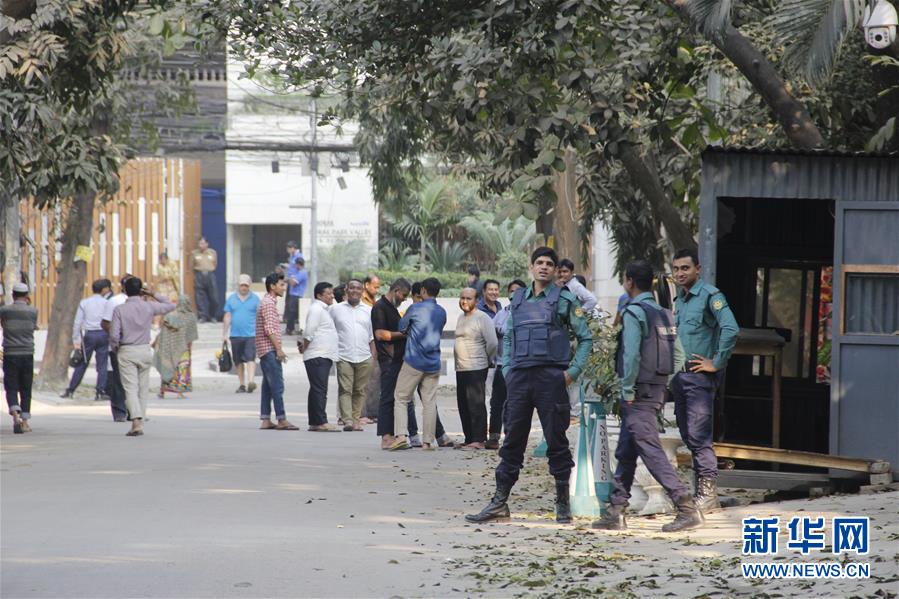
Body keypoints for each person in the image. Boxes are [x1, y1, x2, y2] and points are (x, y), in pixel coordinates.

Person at [466, 247, 591, 524]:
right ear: (531, 267)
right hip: (520, 379)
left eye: (549, 263)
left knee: (557, 443)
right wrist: (508, 370)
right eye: (539, 263)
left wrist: (572, 372)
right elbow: (508, 337)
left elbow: (586, 339)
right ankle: (499, 504)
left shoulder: (565, 300)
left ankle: (562, 504)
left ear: (556, 270)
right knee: (512, 443)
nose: (544, 267)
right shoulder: (518, 299)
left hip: (552, 379)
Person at [591, 260, 703, 532]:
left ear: (628, 281)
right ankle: (616, 510)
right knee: (626, 450)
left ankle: (686, 506)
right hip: (655, 390)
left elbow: (630, 356)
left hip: (637, 393)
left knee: (650, 450)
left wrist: (627, 389)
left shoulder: (634, 312)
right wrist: (662, 380)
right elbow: (679, 356)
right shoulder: (665, 313)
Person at [670, 248, 739, 512]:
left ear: (698, 269)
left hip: (699, 377)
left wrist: (717, 362)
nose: (680, 273)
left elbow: (731, 329)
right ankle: (705, 492)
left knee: (699, 437)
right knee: (688, 434)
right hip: (680, 376)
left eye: (685, 268)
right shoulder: (681, 300)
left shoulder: (711, 296)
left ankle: (707, 493)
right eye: (676, 269)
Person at [109, 278, 176, 436]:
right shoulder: (149, 306)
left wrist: (115, 347)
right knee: (143, 388)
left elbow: (113, 334)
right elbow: (171, 305)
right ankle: (141, 420)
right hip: (145, 349)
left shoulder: (120, 310)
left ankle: (136, 421)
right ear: (141, 291)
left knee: (130, 387)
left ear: (124, 290)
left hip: (127, 350)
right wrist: (153, 294)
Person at [391, 277, 447, 451]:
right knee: (429, 402)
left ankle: (401, 436)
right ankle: (427, 442)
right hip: (433, 363)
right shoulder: (442, 311)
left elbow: (401, 327)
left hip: (414, 361)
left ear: (423, 291)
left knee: (401, 397)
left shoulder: (414, 308)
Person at [454, 287, 498, 450]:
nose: (464, 301)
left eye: (468, 298)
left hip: (477, 366)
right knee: (463, 404)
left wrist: (486, 359)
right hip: (461, 368)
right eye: (462, 298)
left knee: (476, 404)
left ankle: (479, 439)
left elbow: (492, 343)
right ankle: (469, 438)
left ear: (477, 301)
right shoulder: (460, 317)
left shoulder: (482, 318)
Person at [330, 279, 375, 432]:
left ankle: (356, 420)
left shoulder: (369, 311)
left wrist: (373, 357)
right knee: (345, 389)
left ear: (362, 291)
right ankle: (347, 420)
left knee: (359, 390)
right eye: (352, 288)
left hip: (364, 356)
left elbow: (372, 336)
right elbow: (328, 330)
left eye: (358, 288)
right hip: (343, 356)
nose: (355, 291)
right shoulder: (335, 309)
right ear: (346, 291)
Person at [486, 279, 526, 449]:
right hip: (502, 364)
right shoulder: (501, 313)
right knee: (497, 402)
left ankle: (512, 437)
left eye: (518, 291)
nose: (514, 294)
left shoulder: (527, 313)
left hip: (520, 366)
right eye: (511, 291)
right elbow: (492, 333)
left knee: (515, 403)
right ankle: (494, 436)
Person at [256, 272, 299, 430]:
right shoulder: (268, 303)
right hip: (269, 350)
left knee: (268, 386)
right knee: (277, 385)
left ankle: (266, 419)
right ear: (272, 286)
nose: (284, 288)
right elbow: (269, 329)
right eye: (281, 285)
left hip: (265, 349)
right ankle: (281, 419)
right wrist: (279, 349)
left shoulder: (269, 302)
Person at [62, 278, 112, 400]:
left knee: (82, 363)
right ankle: (100, 391)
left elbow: (77, 323)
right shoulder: (107, 303)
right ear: (104, 289)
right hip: (103, 334)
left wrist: (76, 341)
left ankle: (71, 390)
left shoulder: (84, 303)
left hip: (89, 335)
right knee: (102, 365)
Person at [301, 281, 341, 432]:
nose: (332, 296)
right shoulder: (317, 309)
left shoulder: (324, 309)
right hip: (318, 355)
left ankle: (314, 422)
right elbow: (309, 331)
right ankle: (321, 422)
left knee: (316, 389)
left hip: (322, 354)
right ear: (319, 295)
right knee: (320, 389)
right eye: (329, 293)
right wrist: (304, 347)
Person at [1, 283, 38, 434]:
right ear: (26, 295)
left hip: (10, 353)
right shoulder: (33, 311)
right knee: (26, 386)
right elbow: (33, 326)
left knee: (11, 385)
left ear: (14, 295)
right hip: (27, 353)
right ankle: (25, 421)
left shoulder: (5, 310)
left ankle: (15, 414)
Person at [154, 295, 199, 399]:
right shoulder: (190, 317)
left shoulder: (170, 316)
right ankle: (180, 391)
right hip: (183, 348)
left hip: (169, 346)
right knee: (181, 368)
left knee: (167, 367)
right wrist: (189, 349)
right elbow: (190, 336)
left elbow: (163, 333)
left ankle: (163, 391)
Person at [102, 275, 133, 421]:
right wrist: (116, 335)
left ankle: (134, 411)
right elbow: (105, 323)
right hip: (118, 346)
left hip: (136, 346)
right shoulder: (114, 301)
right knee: (119, 379)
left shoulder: (141, 302)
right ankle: (120, 411)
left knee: (134, 381)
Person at [223, 274, 261, 393]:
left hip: (251, 334)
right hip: (235, 334)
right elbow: (227, 316)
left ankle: (251, 381)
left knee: (250, 358)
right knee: (238, 361)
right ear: (238, 286)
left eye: (246, 285)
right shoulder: (231, 299)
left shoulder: (255, 299)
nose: (244, 287)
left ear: (249, 286)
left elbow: (259, 316)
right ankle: (242, 384)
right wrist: (224, 334)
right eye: (242, 285)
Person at [360, 274, 382, 423]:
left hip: (375, 345)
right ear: (366, 285)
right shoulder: (362, 303)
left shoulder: (373, 302)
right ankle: (361, 414)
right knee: (364, 383)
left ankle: (373, 412)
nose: (377, 289)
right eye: (375, 286)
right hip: (364, 346)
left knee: (374, 381)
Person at [192, 236, 219, 323]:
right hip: (199, 274)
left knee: (214, 297)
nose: (201, 245)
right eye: (200, 243)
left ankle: (212, 316)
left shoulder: (212, 252)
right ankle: (202, 316)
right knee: (199, 297)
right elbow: (191, 265)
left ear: (207, 244)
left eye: (203, 243)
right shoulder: (194, 253)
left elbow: (215, 264)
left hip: (210, 275)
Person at [285, 256, 308, 335]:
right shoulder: (297, 272)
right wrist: (290, 279)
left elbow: (293, 283)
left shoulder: (302, 272)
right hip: (293, 294)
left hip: (297, 295)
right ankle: (289, 328)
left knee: (292, 312)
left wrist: (289, 279)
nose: (295, 266)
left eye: (296, 265)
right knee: (291, 312)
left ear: (299, 264)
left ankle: (291, 329)